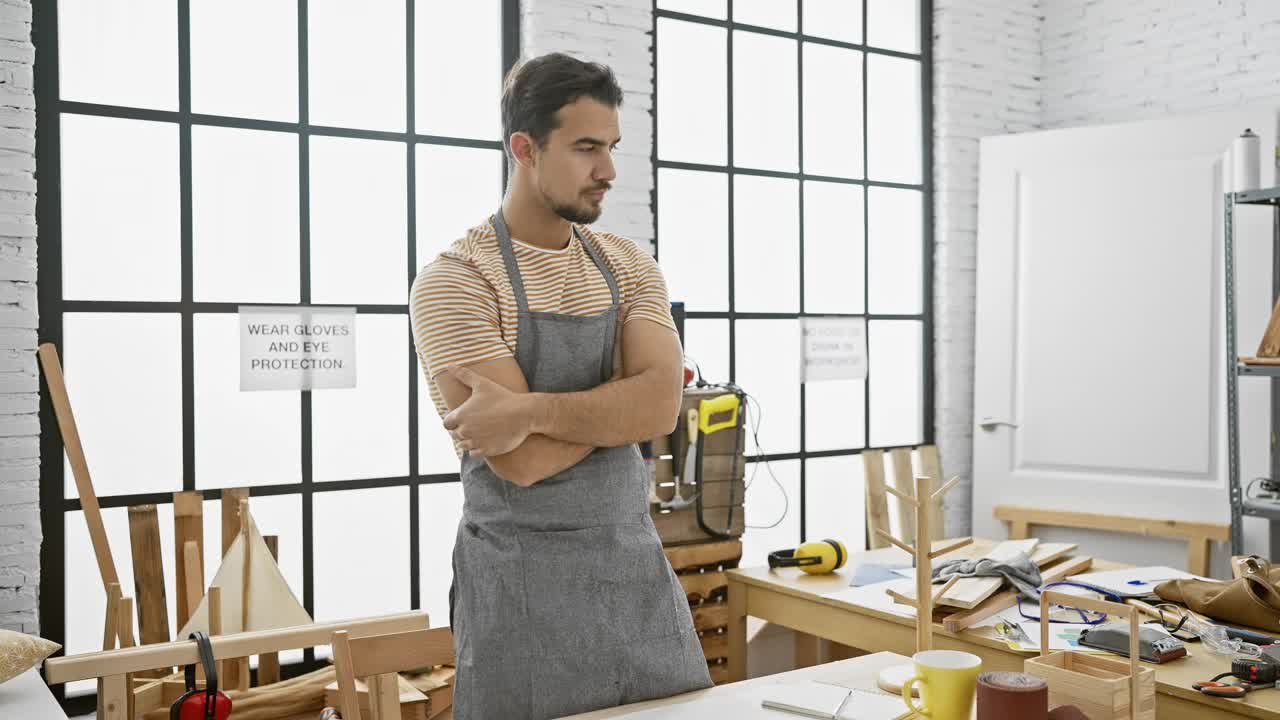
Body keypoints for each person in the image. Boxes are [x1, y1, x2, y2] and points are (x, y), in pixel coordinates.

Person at [409, 52, 712, 720]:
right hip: (520, 602)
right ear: (525, 148)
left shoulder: (629, 264)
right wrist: (615, 407)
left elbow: (662, 405)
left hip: (637, 582)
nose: (607, 170)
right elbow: (523, 461)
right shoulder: (456, 282)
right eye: (585, 148)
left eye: (611, 147)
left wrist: (531, 408)